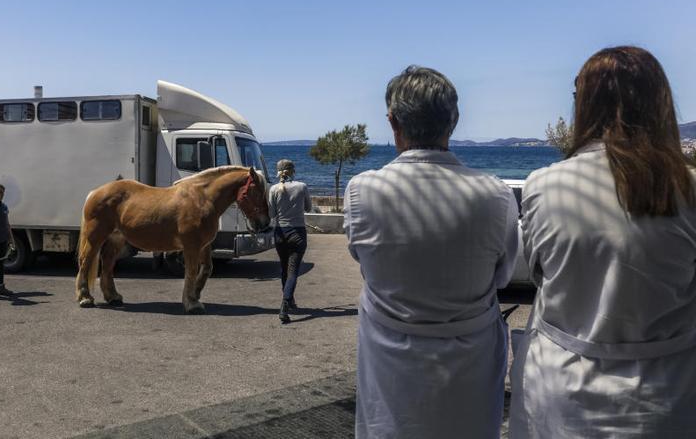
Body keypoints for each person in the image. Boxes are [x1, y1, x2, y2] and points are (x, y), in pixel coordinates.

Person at [509, 46, 696, 438]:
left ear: (586, 107)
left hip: (565, 392)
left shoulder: (546, 184)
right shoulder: (687, 188)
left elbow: (543, 272)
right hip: (668, 393)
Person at [345, 66, 519, 438]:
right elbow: (502, 276)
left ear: (393, 123)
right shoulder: (495, 194)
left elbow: (363, 261)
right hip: (471, 362)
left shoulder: (363, 191)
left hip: (388, 359)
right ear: (453, 121)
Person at [268, 159, 311, 323]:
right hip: (298, 233)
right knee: (293, 271)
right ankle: (285, 304)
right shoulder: (302, 187)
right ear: (293, 171)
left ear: (278, 171)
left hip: (280, 233)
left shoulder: (273, 189)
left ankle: (290, 300)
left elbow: (272, 214)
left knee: (284, 269)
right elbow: (308, 208)